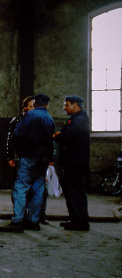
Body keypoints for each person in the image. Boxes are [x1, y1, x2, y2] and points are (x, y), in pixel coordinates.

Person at [0, 93, 54, 232]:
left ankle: (17, 221)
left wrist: (15, 151)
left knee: (20, 188)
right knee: (38, 189)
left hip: (29, 157)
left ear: (35, 104)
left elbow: (17, 134)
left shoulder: (29, 116)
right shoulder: (49, 118)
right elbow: (50, 141)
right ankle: (34, 221)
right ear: (47, 104)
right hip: (43, 160)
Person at [53, 95, 91, 231]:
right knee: (71, 191)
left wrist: (58, 136)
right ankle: (74, 219)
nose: (64, 108)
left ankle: (81, 222)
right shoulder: (76, 119)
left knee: (76, 191)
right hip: (72, 162)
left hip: (76, 162)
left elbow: (67, 137)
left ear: (75, 105)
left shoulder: (79, 120)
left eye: (67, 105)